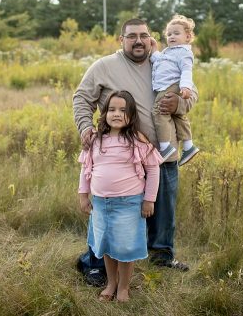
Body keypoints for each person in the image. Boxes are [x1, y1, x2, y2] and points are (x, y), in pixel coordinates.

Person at [73, 19, 196, 287]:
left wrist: (180, 103)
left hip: (163, 153)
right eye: (132, 36)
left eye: (143, 35)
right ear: (121, 39)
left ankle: (162, 257)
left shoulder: (164, 60)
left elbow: (190, 94)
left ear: (151, 39)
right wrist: (85, 127)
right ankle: (95, 263)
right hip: (122, 159)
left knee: (163, 211)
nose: (138, 41)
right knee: (112, 212)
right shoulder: (105, 66)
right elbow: (82, 98)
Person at [77, 90, 162, 302]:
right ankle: (111, 283)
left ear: (132, 116)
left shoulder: (137, 140)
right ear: (104, 113)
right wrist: (83, 195)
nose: (116, 114)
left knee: (125, 247)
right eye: (112, 109)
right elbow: (86, 169)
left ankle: (123, 287)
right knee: (106, 245)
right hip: (100, 204)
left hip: (129, 204)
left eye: (123, 110)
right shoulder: (96, 141)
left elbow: (153, 169)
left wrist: (149, 199)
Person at [151, 14, 201, 166]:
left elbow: (186, 71)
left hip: (171, 85)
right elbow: (158, 59)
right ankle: (188, 146)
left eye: (176, 33)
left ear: (187, 36)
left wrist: (186, 87)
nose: (172, 36)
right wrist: (154, 49)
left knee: (159, 111)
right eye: (169, 34)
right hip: (168, 85)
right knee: (178, 116)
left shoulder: (184, 52)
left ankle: (165, 147)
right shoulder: (168, 52)